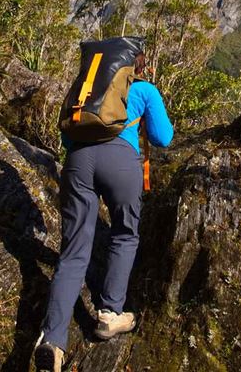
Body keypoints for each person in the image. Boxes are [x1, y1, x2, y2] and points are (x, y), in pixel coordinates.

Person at [34, 52, 174, 372]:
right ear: (137, 67)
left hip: (78, 164)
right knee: (124, 234)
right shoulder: (144, 90)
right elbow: (163, 138)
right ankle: (109, 314)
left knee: (73, 253)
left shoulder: (86, 89)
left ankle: (52, 341)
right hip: (122, 164)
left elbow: (67, 136)